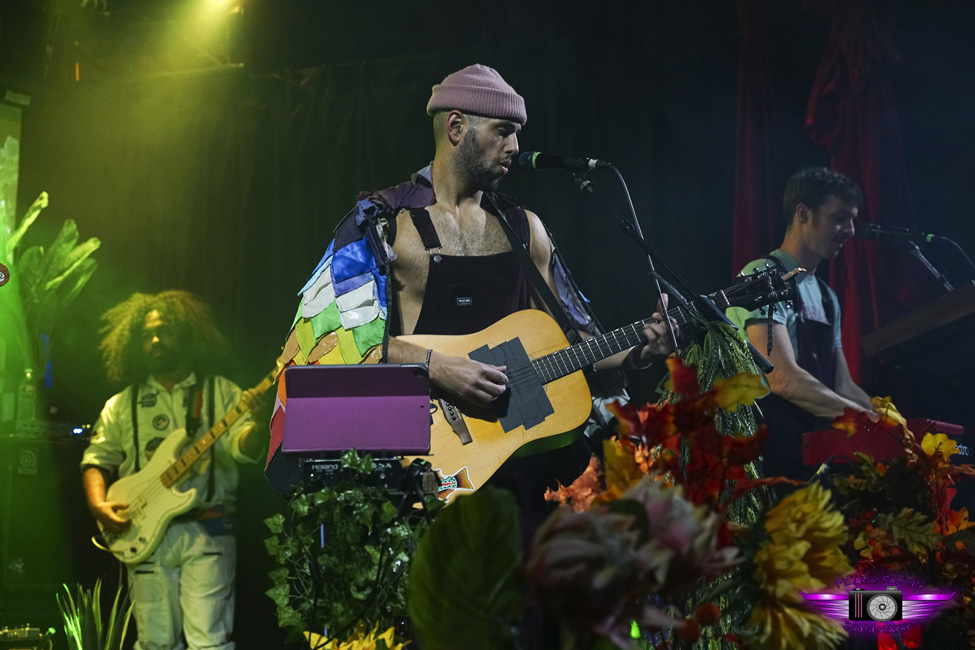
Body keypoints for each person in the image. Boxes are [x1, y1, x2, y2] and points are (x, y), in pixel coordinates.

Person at [265, 63, 677, 491]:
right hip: (420, 462)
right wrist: (438, 367)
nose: (515, 146)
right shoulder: (385, 224)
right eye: (503, 131)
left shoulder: (525, 229)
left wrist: (641, 350)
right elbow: (339, 341)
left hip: (520, 468)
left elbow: (575, 340)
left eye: (517, 133)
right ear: (457, 126)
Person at [81, 290, 266, 650]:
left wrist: (258, 424)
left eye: (164, 331)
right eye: (146, 335)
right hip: (142, 533)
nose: (154, 341)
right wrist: (98, 505)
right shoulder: (120, 405)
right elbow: (96, 459)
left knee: (209, 643)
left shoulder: (221, 392)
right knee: (154, 642)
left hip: (209, 530)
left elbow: (243, 449)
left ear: (185, 333)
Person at [727, 167, 874, 481]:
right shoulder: (762, 277)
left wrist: (891, 424)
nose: (850, 230)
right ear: (803, 214)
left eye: (852, 220)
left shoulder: (827, 296)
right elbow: (782, 379)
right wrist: (865, 421)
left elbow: (843, 386)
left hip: (816, 458)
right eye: (840, 218)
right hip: (769, 458)